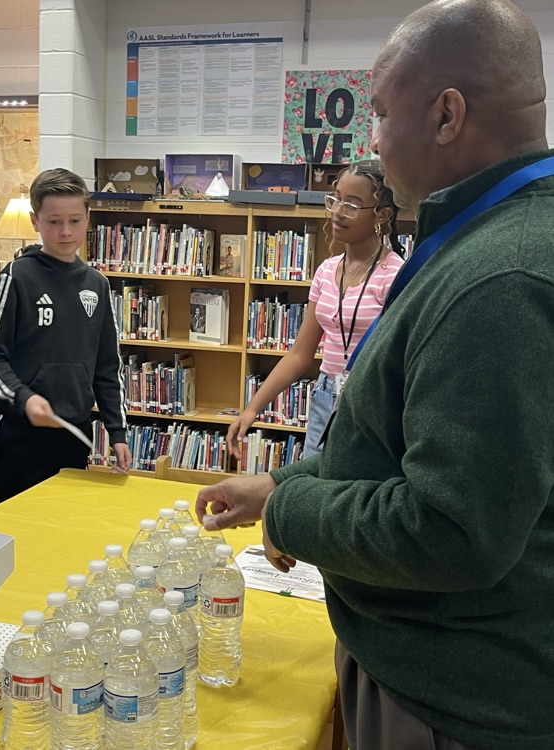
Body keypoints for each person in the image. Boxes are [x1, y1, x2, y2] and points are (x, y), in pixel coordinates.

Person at [196, 1, 554, 748]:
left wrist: (290, 515)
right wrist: (281, 484)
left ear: (447, 115)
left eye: (383, 116)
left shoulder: (501, 278)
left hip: (452, 700)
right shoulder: (492, 241)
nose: (374, 144)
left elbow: (450, 531)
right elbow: (398, 441)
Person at [227, 160, 404, 459]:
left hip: (371, 400)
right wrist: (252, 408)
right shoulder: (326, 271)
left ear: (382, 214)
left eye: (351, 205)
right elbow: (299, 354)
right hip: (325, 394)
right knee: (314, 483)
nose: (337, 212)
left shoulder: (395, 274)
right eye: (335, 199)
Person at [0, 167, 131, 503]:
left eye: (75, 221)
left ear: (88, 218)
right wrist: (24, 398)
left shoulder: (97, 284)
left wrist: (117, 432)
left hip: (73, 433)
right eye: (53, 222)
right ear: (35, 221)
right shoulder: (17, 276)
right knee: (9, 529)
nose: (65, 232)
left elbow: (107, 368)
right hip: (17, 436)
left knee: (65, 525)